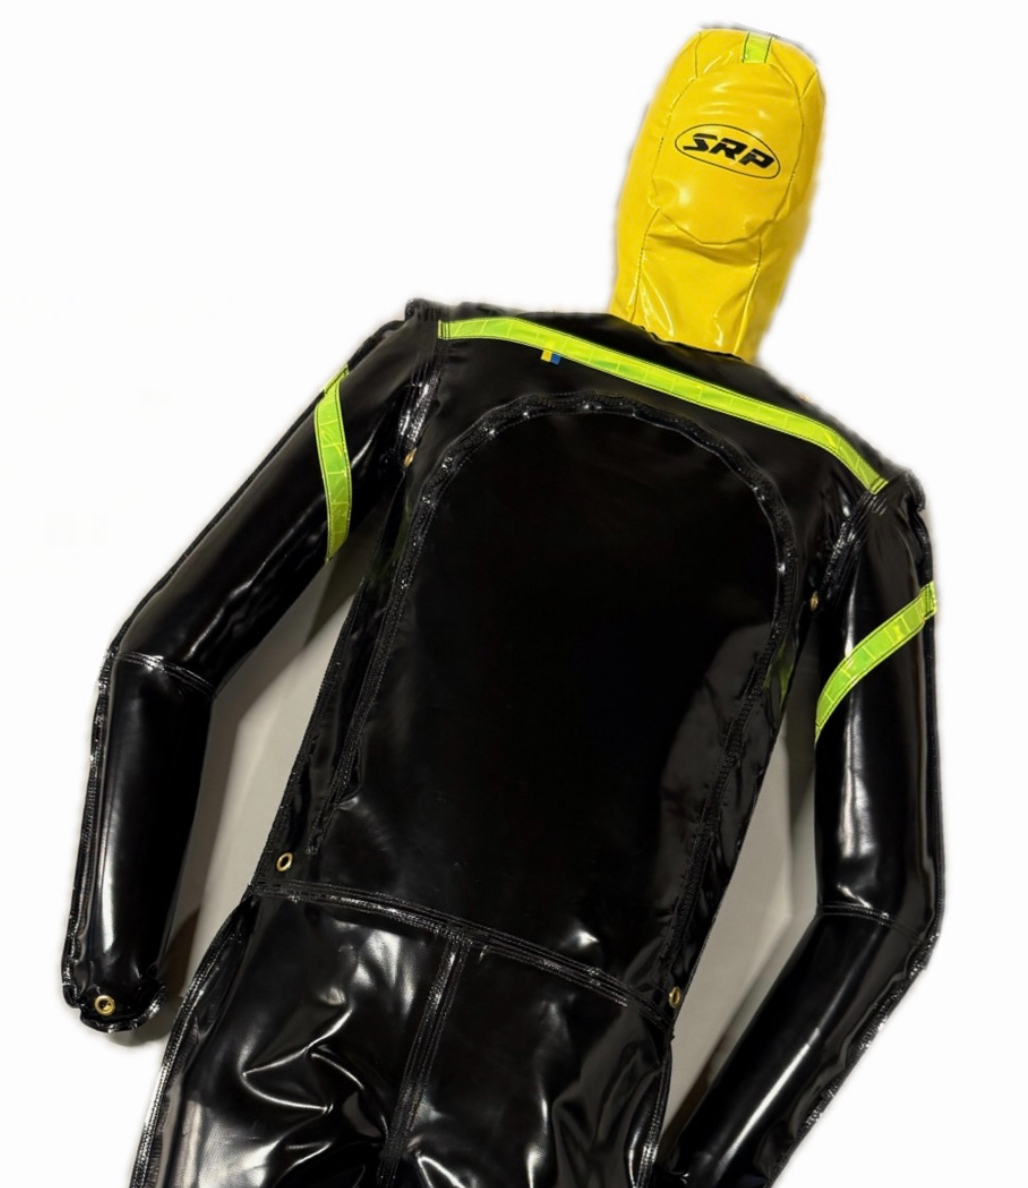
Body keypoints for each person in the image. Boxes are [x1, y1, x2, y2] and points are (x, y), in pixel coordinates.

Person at [63, 27, 943, 1188]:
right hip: (559, 1066)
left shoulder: (448, 364)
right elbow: (882, 902)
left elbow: (165, 655)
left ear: (647, 168)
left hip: (306, 982)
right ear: (785, 220)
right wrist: (706, 1166)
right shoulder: (842, 500)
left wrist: (116, 959)